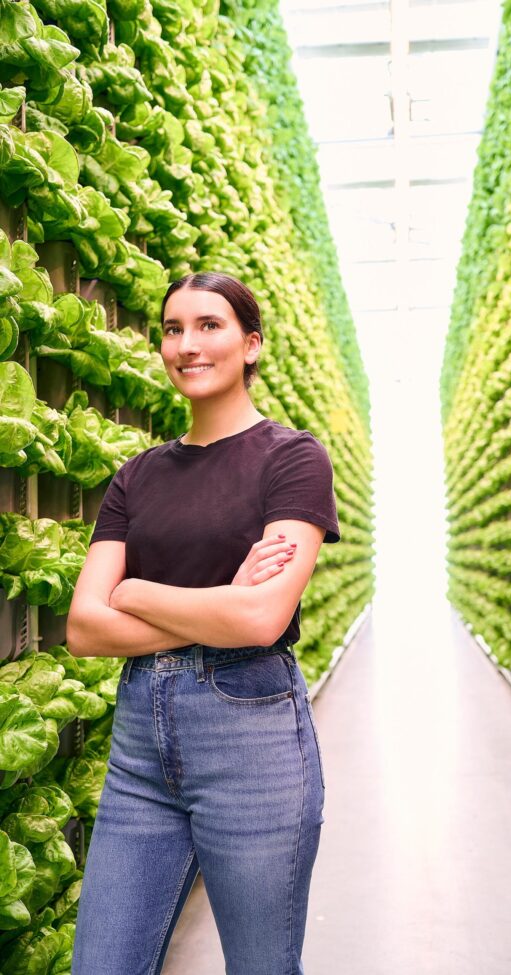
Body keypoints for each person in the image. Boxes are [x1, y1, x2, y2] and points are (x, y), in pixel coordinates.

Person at [67, 271, 341, 975]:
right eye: (172, 329)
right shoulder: (137, 476)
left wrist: (134, 589)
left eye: (209, 325)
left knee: (261, 966)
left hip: (251, 734)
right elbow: (85, 628)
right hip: (139, 745)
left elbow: (261, 616)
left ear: (251, 344)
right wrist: (220, 602)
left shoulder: (292, 459)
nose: (187, 344)